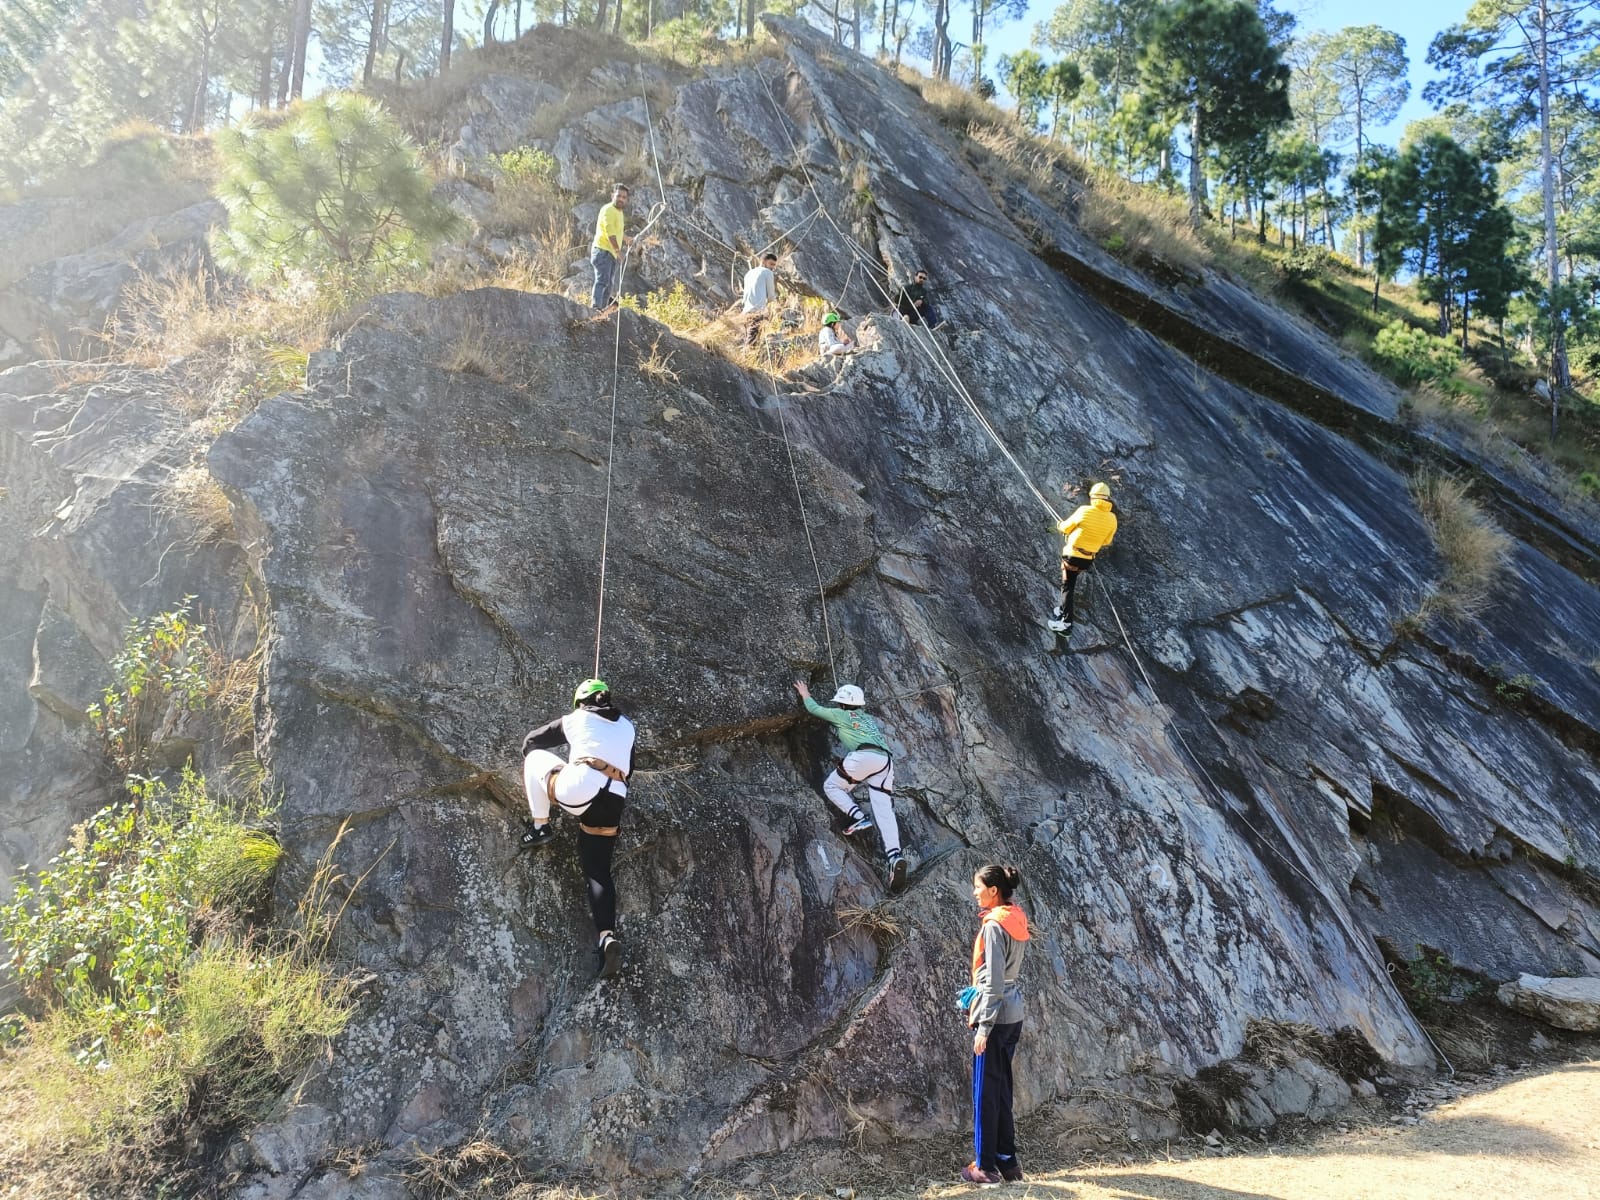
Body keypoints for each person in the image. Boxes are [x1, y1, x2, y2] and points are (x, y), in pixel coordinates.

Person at [521, 678, 637, 979]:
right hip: (614, 799)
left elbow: (532, 741)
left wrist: (553, 769)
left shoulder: (576, 718)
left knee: (535, 758)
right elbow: (630, 768)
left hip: (581, 788)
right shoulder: (628, 727)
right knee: (598, 870)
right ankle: (606, 937)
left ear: (581, 702)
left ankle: (540, 826)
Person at [792, 680, 906, 891]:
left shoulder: (841, 714)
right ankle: (894, 856)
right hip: (886, 762)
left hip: (864, 756)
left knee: (832, 787)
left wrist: (805, 693)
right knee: (884, 810)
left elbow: (815, 709)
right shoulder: (867, 718)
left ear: (842, 704)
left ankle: (859, 817)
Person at [961, 864, 1030, 1186]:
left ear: (993, 890)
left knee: (985, 1093)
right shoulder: (1016, 917)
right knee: (1001, 1090)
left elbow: (994, 981)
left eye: (978, 887)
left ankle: (985, 1166)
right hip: (1013, 1013)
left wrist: (984, 1027)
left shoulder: (993, 925)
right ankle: (1008, 1162)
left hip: (996, 1016)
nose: (975, 892)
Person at [1049, 481, 1118, 638]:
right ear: (1107, 499)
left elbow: (1065, 527)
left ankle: (1066, 624)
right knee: (1070, 583)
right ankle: (1062, 609)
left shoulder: (1085, 511)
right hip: (1087, 559)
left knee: (1068, 587)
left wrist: (1059, 525)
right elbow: (1107, 541)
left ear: (1093, 497)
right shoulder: (1112, 518)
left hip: (1072, 555)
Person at [590, 184, 631, 310]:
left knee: (609, 284)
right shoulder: (608, 210)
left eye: (624, 197)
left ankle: (602, 311)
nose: (621, 199)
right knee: (602, 281)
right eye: (619, 196)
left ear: (627, 200)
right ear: (612, 195)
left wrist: (626, 239)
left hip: (610, 254)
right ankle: (595, 307)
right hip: (603, 251)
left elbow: (618, 231)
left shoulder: (619, 212)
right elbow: (610, 234)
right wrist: (618, 251)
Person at [741, 251, 779, 346]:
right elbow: (771, 296)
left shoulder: (748, 273)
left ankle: (745, 353)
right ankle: (747, 354)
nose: (772, 267)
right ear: (763, 261)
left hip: (745, 311)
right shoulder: (767, 273)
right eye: (771, 264)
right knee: (752, 341)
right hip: (757, 311)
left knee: (746, 338)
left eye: (774, 265)